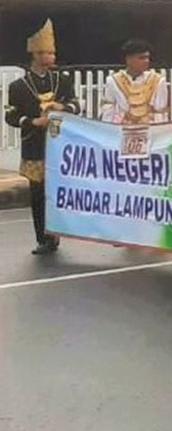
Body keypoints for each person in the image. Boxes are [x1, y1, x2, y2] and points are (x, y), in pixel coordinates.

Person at [4, 20, 81, 255]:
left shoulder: (63, 80)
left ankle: (59, 232)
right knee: (38, 195)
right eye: (47, 52)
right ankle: (43, 238)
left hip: (60, 145)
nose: (52, 56)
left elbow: (77, 106)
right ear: (35, 55)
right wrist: (33, 122)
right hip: (35, 146)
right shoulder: (19, 86)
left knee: (60, 192)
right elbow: (10, 116)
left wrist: (62, 106)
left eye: (53, 52)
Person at [99, 39, 170, 125]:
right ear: (128, 59)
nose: (146, 61)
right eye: (141, 58)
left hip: (149, 129)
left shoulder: (158, 81)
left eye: (147, 57)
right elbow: (108, 110)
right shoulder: (113, 81)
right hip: (124, 129)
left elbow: (160, 112)